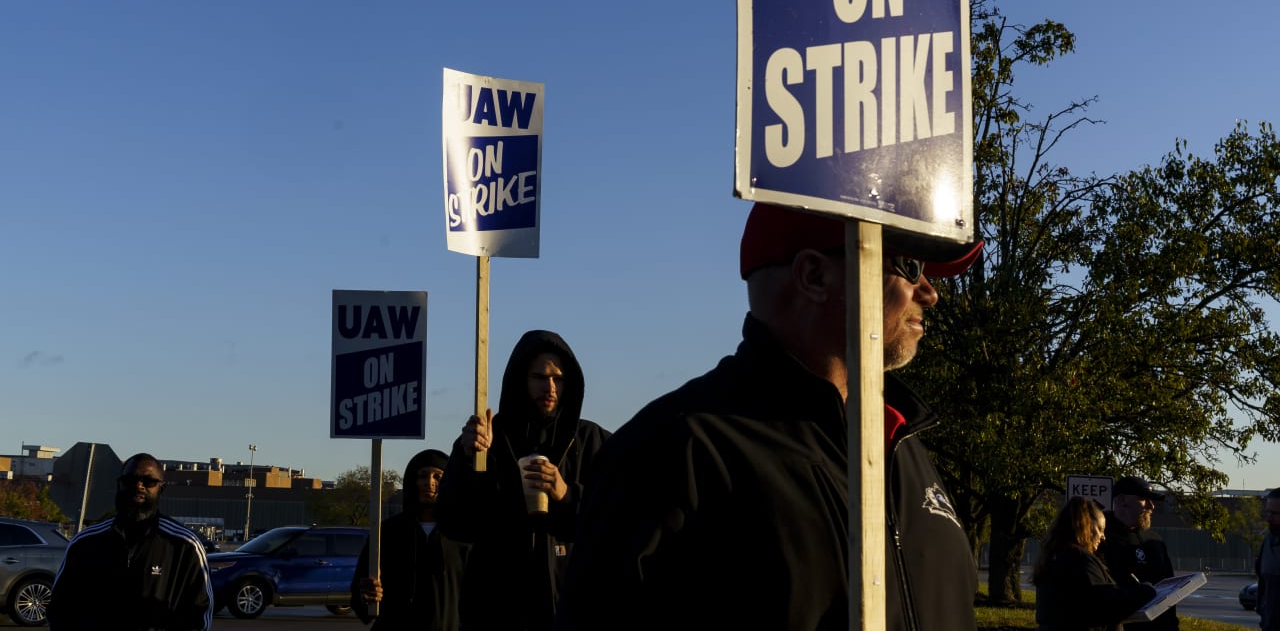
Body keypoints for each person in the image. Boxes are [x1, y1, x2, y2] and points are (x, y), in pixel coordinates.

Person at [555, 202, 985, 630]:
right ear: (814, 276)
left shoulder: (901, 439)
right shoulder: (671, 451)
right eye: (910, 267)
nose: (929, 292)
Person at [435, 329, 610, 631]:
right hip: (498, 612)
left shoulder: (592, 441)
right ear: (521, 379)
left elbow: (619, 520)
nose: (550, 387)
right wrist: (468, 459)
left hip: (572, 611)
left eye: (558, 379)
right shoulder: (488, 439)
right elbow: (454, 522)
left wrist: (566, 494)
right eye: (539, 377)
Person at [50, 452, 214, 630]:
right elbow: (60, 609)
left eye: (148, 481)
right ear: (119, 484)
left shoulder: (184, 546)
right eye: (130, 480)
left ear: (161, 488)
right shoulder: (86, 543)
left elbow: (199, 614)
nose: (139, 486)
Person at [351, 448, 469, 630]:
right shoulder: (388, 533)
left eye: (438, 476)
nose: (429, 482)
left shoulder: (463, 533)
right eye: (422, 476)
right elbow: (361, 600)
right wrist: (367, 597)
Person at [1033, 496, 1157, 631]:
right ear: (1085, 526)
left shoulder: (1054, 556)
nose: (1103, 537)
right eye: (1100, 529)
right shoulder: (1080, 559)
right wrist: (1145, 591)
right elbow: (1105, 604)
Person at [1100, 476, 1177, 631]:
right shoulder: (1101, 539)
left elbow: (1170, 591)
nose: (1151, 506)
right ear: (1122, 500)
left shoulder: (1155, 541)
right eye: (1144, 499)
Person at [1256, 487, 1280, 631]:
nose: (1269, 518)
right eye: (1268, 512)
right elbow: (1263, 584)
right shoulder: (1267, 543)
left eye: (1275, 513)